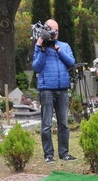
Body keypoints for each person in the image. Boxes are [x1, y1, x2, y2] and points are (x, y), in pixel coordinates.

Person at [32, 19, 77, 163]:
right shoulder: (40, 47)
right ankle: (48, 155)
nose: (54, 33)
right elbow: (36, 67)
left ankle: (64, 153)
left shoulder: (64, 46)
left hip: (62, 89)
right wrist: (42, 48)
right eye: (52, 30)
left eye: (56, 30)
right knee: (46, 125)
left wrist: (58, 50)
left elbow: (71, 62)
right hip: (47, 90)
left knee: (63, 123)